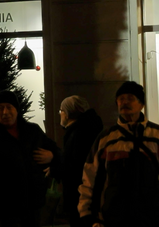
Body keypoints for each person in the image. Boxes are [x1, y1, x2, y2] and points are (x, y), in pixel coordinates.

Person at [79, 81, 159, 227]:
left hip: (152, 216)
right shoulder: (106, 139)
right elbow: (90, 177)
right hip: (113, 217)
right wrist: (87, 213)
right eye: (121, 99)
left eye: (130, 98)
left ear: (141, 104)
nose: (124, 102)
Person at [0, 90, 60, 227]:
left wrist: (52, 156)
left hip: (33, 207)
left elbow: (58, 151)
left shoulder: (33, 131)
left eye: (9, 107)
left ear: (17, 110)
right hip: (3, 210)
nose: (5, 112)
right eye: (0, 108)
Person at [57, 95, 103, 227]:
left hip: (79, 194)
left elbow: (73, 165)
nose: (60, 114)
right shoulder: (88, 128)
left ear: (68, 113)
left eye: (61, 110)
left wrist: (56, 166)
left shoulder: (77, 134)